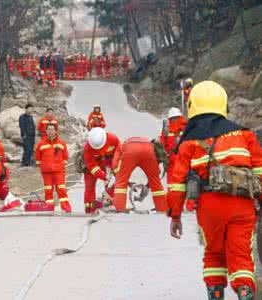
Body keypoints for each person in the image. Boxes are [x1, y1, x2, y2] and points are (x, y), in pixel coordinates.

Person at [167, 81, 262, 300]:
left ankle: (216, 293)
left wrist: (176, 216)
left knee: (214, 253)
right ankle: (245, 290)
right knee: (242, 255)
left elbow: (177, 183)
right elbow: (259, 170)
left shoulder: (189, 142)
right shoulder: (244, 134)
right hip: (242, 204)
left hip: (210, 205)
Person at [112, 137, 167, 212]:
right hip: (148, 152)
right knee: (156, 183)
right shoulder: (152, 147)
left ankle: (119, 208)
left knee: (121, 183)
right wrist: (147, 186)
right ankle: (162, 208)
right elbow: (156, 173)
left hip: (130, 150)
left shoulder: (121, 145)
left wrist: (125, 181)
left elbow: (115, 166)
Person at [35, 124, 72, 212]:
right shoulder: (41, 144)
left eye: (52, 129)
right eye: (49, 129)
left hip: (59, 171)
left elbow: (65, 157)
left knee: (61, 189)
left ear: (56, 131)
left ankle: (66, 208)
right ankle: (49, 208)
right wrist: (44, 167)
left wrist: (60, 166)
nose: (51, 131)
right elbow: (37, 159)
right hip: (46, 172)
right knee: (48, 190)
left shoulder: (61, 143)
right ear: (46, 131)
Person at [83, 128, 120, 213]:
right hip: (91, 167)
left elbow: (118, 156)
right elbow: (91, 166)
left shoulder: (113, 140)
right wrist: (103, 176)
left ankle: (109, 204)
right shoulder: (87, 148)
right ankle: (89, 209)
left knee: (112, 183)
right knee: (89, 186)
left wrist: (113, 172)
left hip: (108, 163)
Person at [160, 107, 187, 184]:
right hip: (183, 161)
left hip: (173, 161)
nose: (175, 120)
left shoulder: (166, 129)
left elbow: (162, 145)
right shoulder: (186, 127)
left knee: (172, 185)